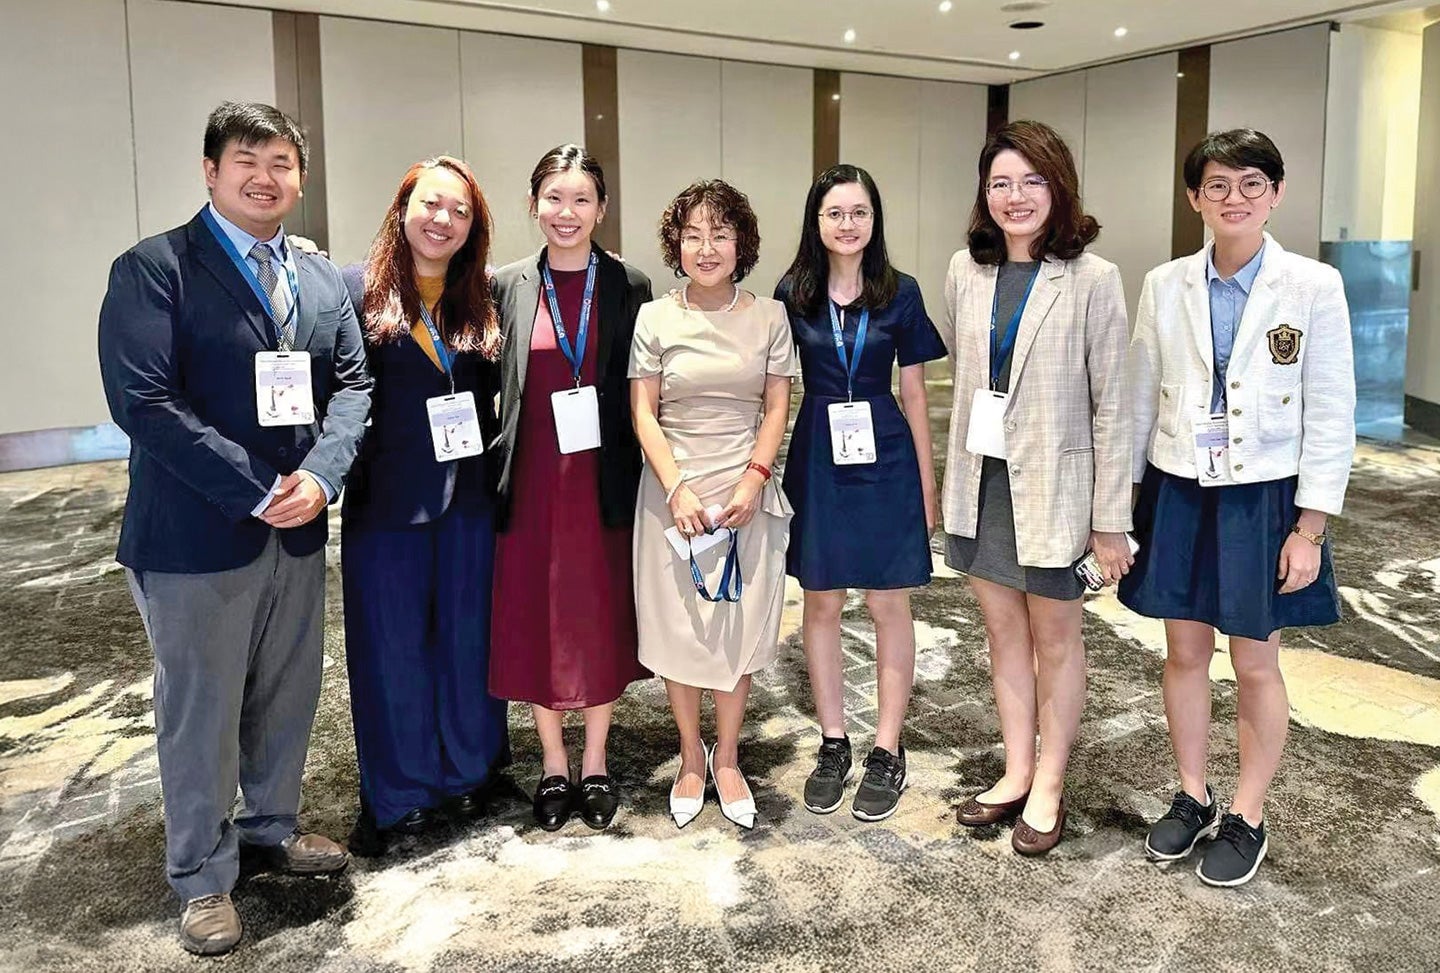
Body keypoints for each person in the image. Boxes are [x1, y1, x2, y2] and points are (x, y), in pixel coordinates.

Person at [97, 101, 371, 955]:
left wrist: (321, 476)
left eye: (282, 161)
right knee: (201, 707)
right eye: (246, 158)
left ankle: (271, 824)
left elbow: (354, 383)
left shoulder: (322, 279)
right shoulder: (156, 269)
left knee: (287, 693)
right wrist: (257, 488)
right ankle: (202, 873)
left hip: (296, 528)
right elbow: (143, 400)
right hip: (195, 534)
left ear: (300, 176)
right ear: (210, 170)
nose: (266, 175)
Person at [1121, 129, 1355, 888]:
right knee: (1184, 653)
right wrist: (1119, 506)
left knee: (1255, 661)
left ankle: (1248, 812)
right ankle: (1193, 792)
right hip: (1180, 484)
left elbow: (1330, 410)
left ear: (1276, 194)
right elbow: (1135, 395)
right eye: (1217, 186)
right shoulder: (1165, 283)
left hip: (1264, 494)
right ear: (1195, 198)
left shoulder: (1313, 285)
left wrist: (1310, 527)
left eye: (1251, 184)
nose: (1234, 199)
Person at [940, 120, 1132, 856]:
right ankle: (1016, 766)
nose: (1015, 197)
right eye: (1000, 183)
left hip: (1057, 490)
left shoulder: (1094, 278)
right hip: (983, 483)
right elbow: (967, 370)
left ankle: (1050, 778)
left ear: (1059, 187)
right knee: (1001, 634)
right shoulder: (967, 269)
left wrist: (1111, 519)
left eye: (1032, 181)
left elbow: (1114, 402)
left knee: (1057, 640)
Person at [339, 156, 509, 855]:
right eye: (431, 205)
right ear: (403, 208)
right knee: (391, 647)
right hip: (387, 501)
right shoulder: (353, 291)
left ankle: (471, 772)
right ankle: (401, 795)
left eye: (460, 211)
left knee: (470, 640)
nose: (443, 220)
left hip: (469, 496)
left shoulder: (483, 296)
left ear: (475, 226)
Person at [775, 164, 947, 822]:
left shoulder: (899, 292)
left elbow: (915, 394)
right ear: (816, 221)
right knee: (819, 601)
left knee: (886, 602)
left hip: (886, 455)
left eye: (859, 213)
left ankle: (886, 747)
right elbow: (774, 386)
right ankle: (833, 739)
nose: (847, 224)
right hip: (820, 453)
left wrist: (928, 488)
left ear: (875, 221)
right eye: (834, 212)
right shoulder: (793, 291)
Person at [489, 145, 652, 832]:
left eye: (581, 199)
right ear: (533, 204)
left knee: (597, 613)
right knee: (536, 611)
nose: (567, 212)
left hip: (601, 480)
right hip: (530, 479)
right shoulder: (505, 284)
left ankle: (595, 760)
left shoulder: (629, 284)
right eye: (554, 197)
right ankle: (552, 761)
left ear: (602, 209)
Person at [630, 179, 797, 830]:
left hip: (742, 491)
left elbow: (777, 403)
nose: (706, 247)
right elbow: (643, 410)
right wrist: (676, 486)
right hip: (673, 492)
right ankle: (691, 754)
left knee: (736, 627)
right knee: (680, 629)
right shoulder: (656, 317)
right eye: (694, 233)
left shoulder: (769, 317)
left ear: (741, 243)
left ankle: (728, 755)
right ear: (676, 242)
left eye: (720, 233)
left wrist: (755, 479)